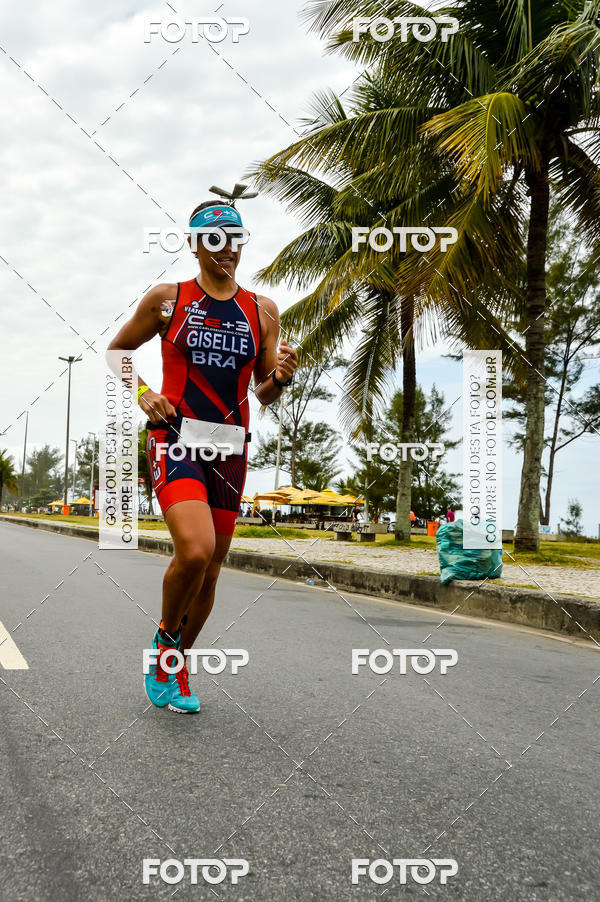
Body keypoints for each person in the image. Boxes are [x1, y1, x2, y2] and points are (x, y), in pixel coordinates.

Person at [108, 199, 298, 713]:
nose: (226, 250)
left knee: (211, 572)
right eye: (213, 240)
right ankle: (166, 645)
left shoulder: (263, 310)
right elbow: (117, 352)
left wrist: (279, 377)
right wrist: (145, 392)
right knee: (193, 550)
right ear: (194, 244)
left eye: (234, 239)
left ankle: (177, 667)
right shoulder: (168, 300)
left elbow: (262, 390)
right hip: (175, 439)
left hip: (231, 447)